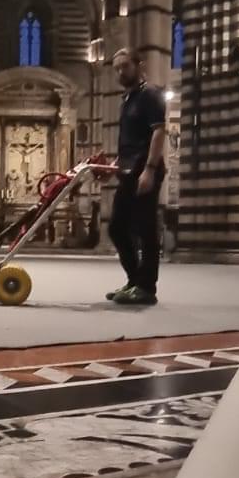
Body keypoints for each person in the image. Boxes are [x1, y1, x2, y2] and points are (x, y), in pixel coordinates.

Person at [106, 47, 167, 307]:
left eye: (125, 67)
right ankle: (134, 280)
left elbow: (158, 132)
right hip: (127, 170)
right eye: (117, 68)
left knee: (145, 228)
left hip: (145, 169)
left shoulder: (150, 95)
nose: (121, 72)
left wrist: (150, 170)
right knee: (117, 227)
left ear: (139, 65)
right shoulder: (127, 99)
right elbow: (128, 141)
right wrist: (112, 166)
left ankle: (146, 288)